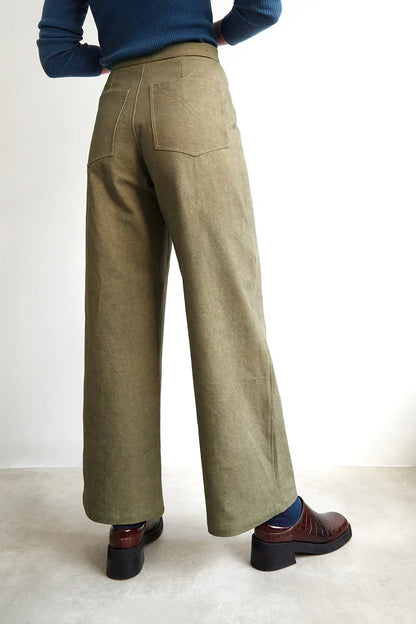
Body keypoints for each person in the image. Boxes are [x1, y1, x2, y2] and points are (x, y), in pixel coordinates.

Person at [36, 0, 352, 580]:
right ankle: (277, 516)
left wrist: (121, 55)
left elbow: (55, 53)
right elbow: (263, 7)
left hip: (115, 111)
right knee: (226, 302)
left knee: (117, 318)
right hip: (191, 95)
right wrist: (213, 34)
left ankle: (126, 517)